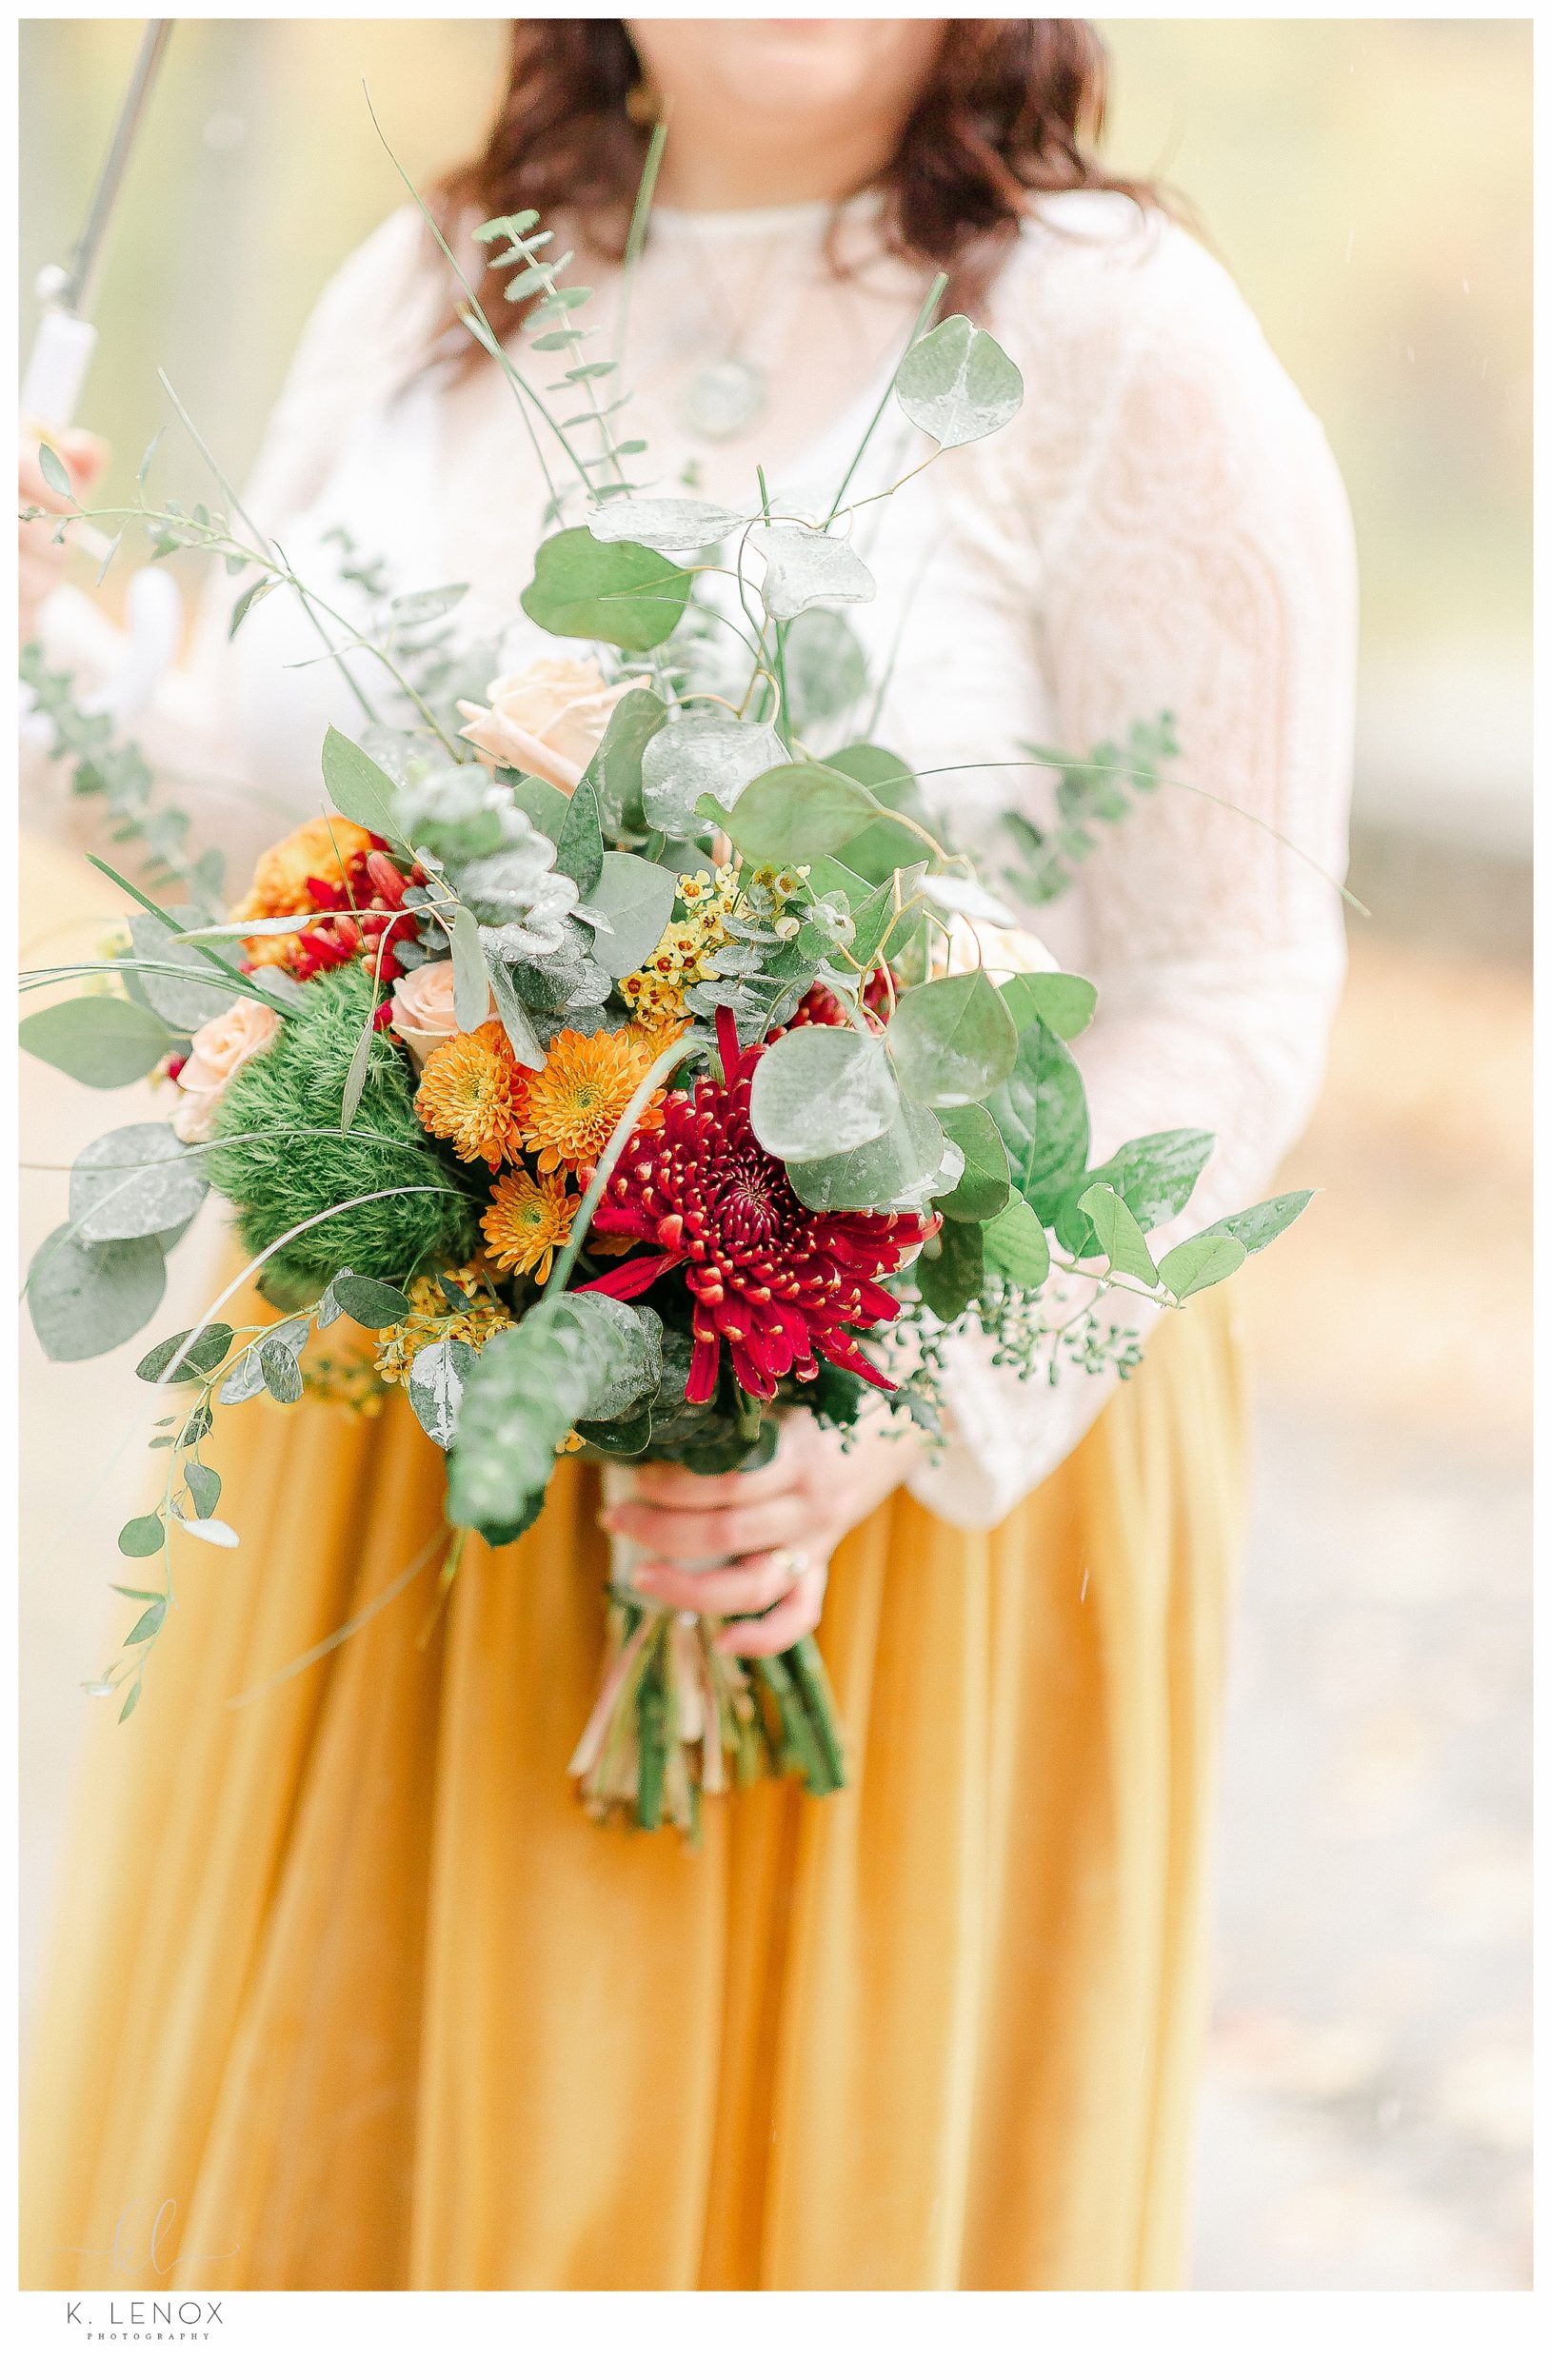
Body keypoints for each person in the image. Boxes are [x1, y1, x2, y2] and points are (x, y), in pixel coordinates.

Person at [20, 19, 1354, 2290]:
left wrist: (888, 1411)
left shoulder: (1119, 332)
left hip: (881, 1472)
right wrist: (38, 658)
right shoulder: (432, 280)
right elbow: (278, 850)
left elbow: (1225, 993)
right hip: (413, 1437)